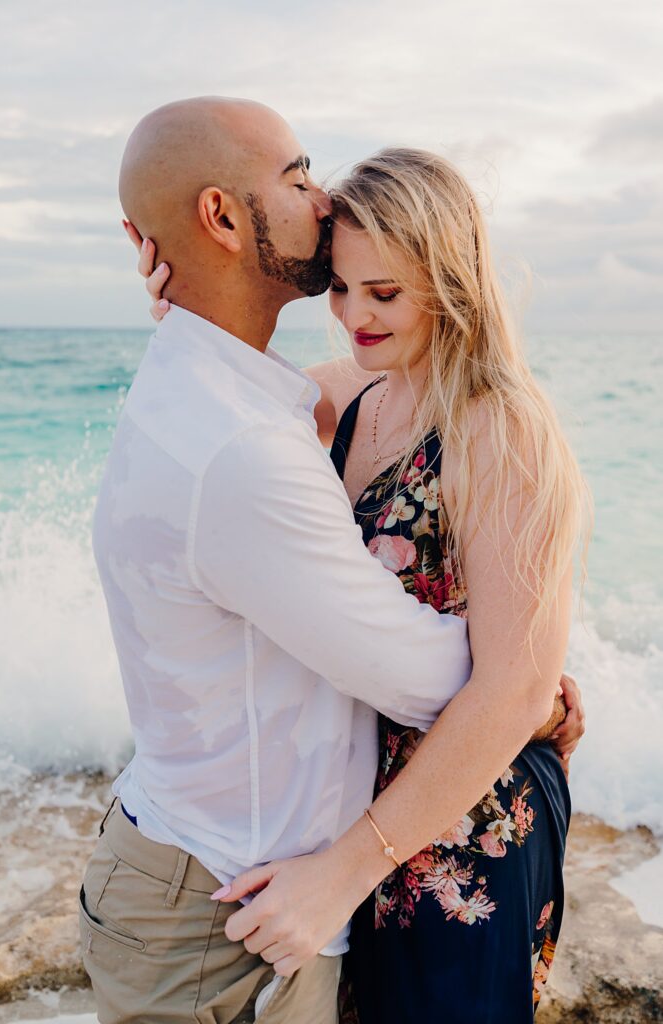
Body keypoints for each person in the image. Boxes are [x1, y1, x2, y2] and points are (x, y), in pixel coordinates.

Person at [134, 140, 589, 1021]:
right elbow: (214, 403)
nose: (353, 317)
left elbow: (514, 690)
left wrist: (339, 873)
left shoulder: (499, 429)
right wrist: (180, 314)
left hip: (463, 822)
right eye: (340, 288)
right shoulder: (340, 395)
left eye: (384, 294)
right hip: (357, 807)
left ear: (452, 279)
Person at [84, 95, 480, 1024]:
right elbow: (420, 675)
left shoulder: (210, 389)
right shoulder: (238, 450)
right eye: (298, 176)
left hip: (194, 870)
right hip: (221, 922)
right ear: (222, 217)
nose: (326, 195)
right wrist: (531, 687)